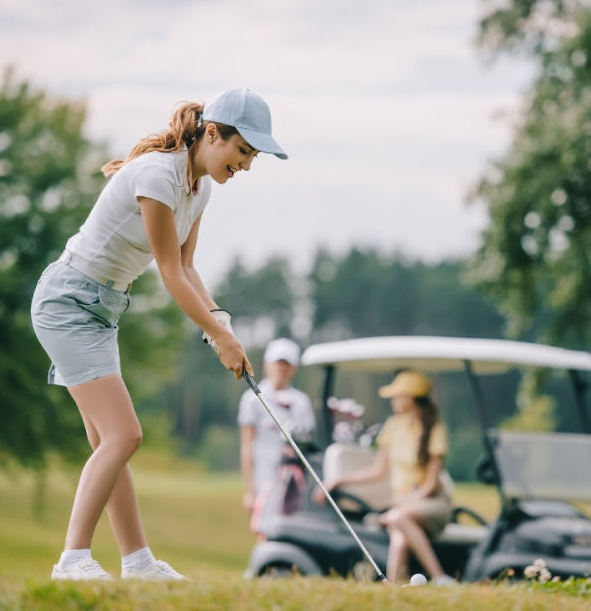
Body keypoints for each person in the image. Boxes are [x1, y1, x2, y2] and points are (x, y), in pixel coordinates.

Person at [30, 88, 288, 581]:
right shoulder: (157, 176)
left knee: (111, 441)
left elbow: (190, 268)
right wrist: (219, 336)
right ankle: (72, 560)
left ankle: (137, 563)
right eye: (243, 152)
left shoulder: (200, 187)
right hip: (68, 303)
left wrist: (221, 323)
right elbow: (169, 274)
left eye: (253, 157)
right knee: (125, 436)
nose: (247, 166)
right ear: (212, 134)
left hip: (102, 309)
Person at [318, 370, 455, 585]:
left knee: (396, 519)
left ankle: (440, 577)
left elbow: (430, 484)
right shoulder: (393, 426)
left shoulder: (435, 429)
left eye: (398, 396)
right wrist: (338, 481)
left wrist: (401, 508)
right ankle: (393, 588)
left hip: (430, 503)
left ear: (411, 398)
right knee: (399, 539)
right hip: (402, 505)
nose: (393, 400)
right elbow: (377, 472)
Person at [238, 337, 315, 534]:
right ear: (267, 364)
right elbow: (247, 445)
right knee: (264, 529)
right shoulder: (252, 399)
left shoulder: (301, 401)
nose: (281, 369)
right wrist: (249, 489)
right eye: (277, 363)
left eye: (286, 364)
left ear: (294, 368)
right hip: (263, 475)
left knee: (290, 529)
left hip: (293, 478)